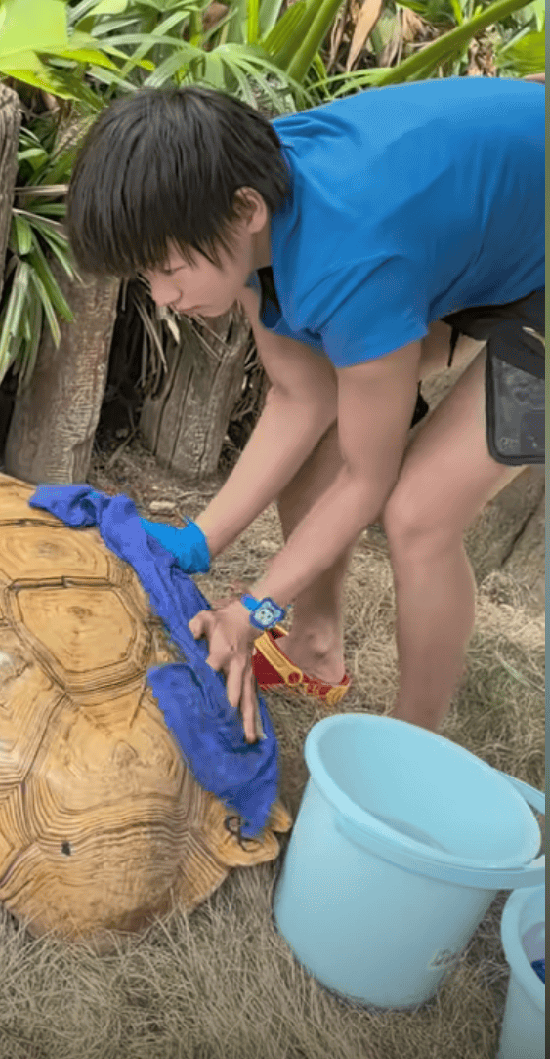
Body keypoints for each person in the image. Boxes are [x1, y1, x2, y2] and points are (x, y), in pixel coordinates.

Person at [65, 77, 545, 742]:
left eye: (170, 268)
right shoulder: (249, 195)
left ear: (247, 209)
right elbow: (302, 395)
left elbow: (366, 479)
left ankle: (411, 748)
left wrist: (257, 606)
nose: (164, 295)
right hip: (489, 226)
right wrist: (202, 539)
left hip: (519, 255)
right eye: (147, 276)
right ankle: (314, 646)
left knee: (417, 515)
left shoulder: (353, 264)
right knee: (337, 430)